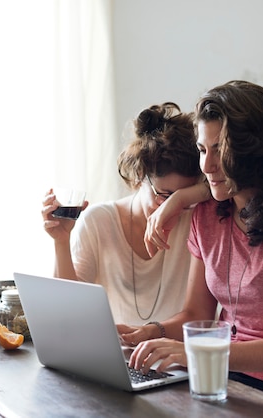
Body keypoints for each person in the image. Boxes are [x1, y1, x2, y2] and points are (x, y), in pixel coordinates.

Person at [121, 81, 263, 417]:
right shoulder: (207, 215)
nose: (207, 167)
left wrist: (197, 352)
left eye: (220, 151)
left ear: (254, 151)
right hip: (223, 383)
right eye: (202, 149)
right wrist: (150, 333)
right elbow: (197, 314)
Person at [41, 102, 210, 326]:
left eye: (184, 197)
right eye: (164, 195)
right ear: (140, 175)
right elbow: (68, 312)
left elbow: (232, 186)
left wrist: (183, 200)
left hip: (177, 356)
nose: (173, 208)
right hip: (118, 356)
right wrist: (61, 242)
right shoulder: (99, 222)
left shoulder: (197, 219)